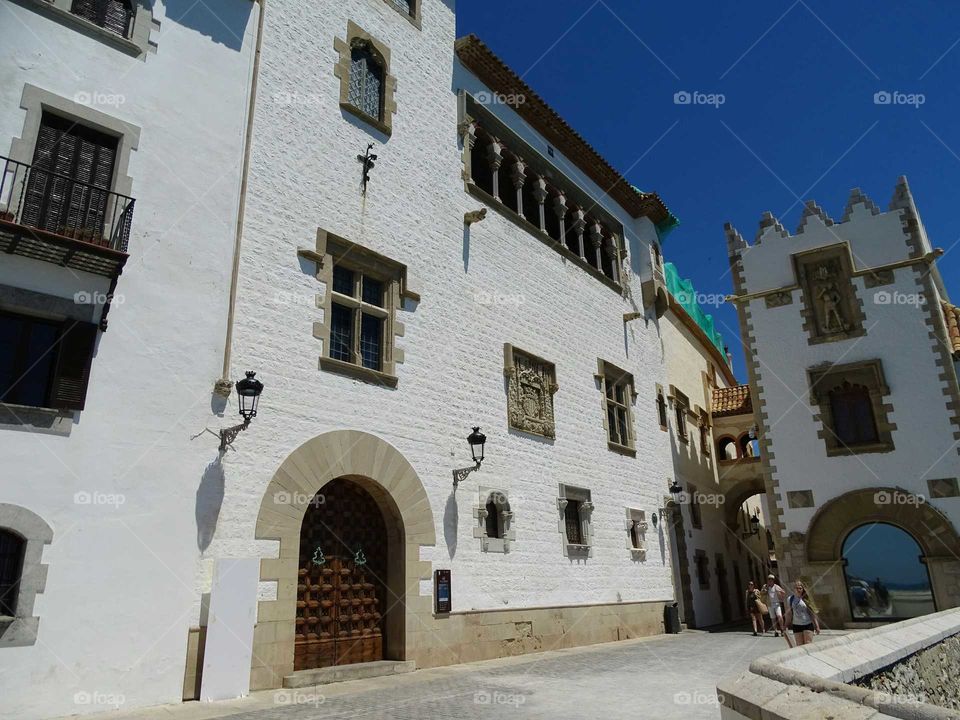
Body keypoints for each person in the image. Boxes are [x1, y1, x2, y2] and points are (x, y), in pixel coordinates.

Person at [785, 580, 821, 646]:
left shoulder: (806, 599)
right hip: (796, 625)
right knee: (799, 646)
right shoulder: (790, 599)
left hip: (807, 624)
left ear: (803, 589)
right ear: (794, 589)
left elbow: (812, 613)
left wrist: (817, 626)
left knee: (808, 644)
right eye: (796, 588)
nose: (798, 590)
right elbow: (789, 613)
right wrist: (786, 625)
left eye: (800, 588)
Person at [765, 574, 792, 646]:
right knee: (773, 618)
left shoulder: (776, 586)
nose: (770, 580)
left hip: (776, 604)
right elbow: (762, 593)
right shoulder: (766, 587)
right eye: (769, 579)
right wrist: (765, 590)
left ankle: (782, 629)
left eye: (771, 579)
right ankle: (776, 631)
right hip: (770, 604)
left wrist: (780, 596)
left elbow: (784, 592)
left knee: (779, 616)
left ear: (773, 580)